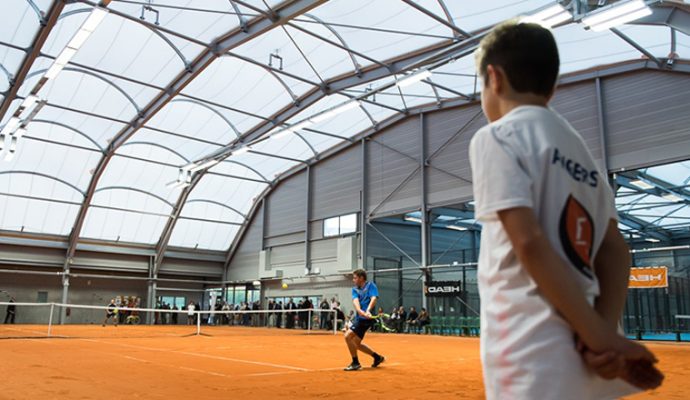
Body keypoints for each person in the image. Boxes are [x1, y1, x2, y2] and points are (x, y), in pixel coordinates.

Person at [468, 20, 662, 399]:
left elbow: (529, 242)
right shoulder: (582, 153)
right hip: (589, 356)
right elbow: (615, 250)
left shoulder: (497, 136)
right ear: (552, 87)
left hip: (531, 348)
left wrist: (598, 336)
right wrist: (600, 335)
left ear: (494, 78)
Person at [343, 269, 385, 371]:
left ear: (361, 278)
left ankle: (355, 363)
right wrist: (360, 311)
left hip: (366, 319)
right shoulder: (354, 289)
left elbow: (373, 298)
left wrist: (368, 310)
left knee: (348, 336)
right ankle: (377, 357)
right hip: (360, 317)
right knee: (356, 344)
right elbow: (355, 301)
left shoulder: (371, 286)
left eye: (355, 278)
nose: (353, 280)